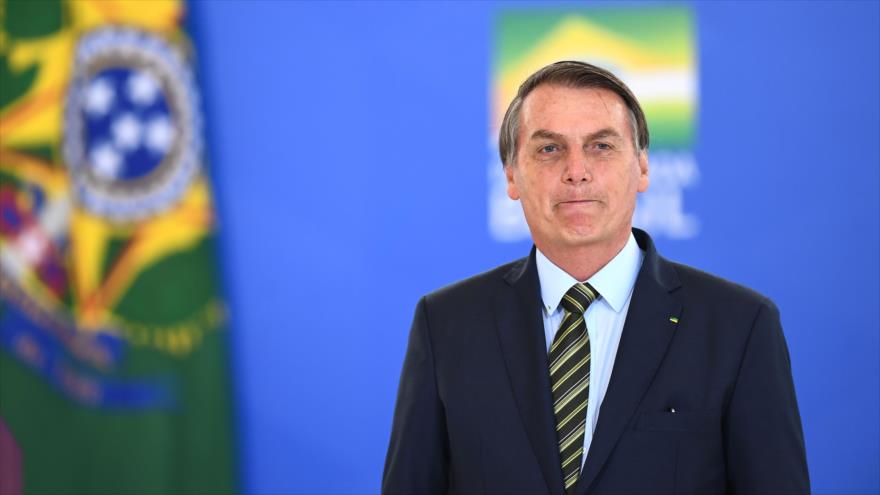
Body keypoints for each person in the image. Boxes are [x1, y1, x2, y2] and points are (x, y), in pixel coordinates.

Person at [382, 61, 809, 494]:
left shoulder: (740, 327)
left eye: (601, 146)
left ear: (642, 167)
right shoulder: (446, 324)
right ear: (511, 174)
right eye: (549, 149)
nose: (576, 171)